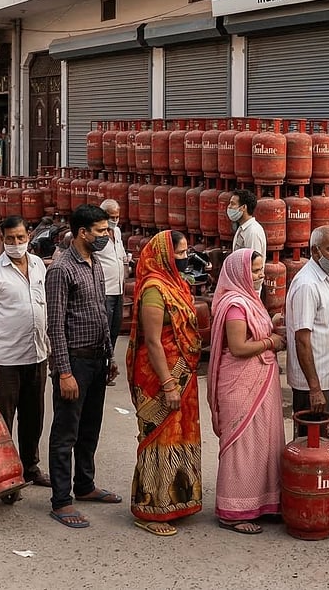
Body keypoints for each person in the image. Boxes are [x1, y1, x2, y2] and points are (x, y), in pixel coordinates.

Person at [45, 204, 120, 528]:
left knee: (90, 428)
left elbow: (102, 316)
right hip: (73, 361)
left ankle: (85, 485)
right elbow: (55, 325)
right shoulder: (61, 269)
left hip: (96, 359)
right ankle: (61, 500)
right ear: (82, 232)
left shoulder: (95, 264)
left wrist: (109, 357)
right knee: (66, 432)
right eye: (101, 231)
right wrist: (64, 372)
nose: (106, 235)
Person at [126, 230, 203, 536]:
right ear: (165, 256)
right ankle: (151, 510)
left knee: (180, 434)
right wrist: (169, 384)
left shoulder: (179, 285)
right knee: (158, 438)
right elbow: (154, 342)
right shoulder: (155, 289)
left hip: (184, 375)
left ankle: (178, 500)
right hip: (161, 377)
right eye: (180, 253)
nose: (185, 258)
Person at [208, 248, 286, 534]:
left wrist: (271, 326)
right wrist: (271, 343)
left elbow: (255, 332)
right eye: (254, 270)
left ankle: (264, 503)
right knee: (241, 444)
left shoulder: (251, 300)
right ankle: (234, 511)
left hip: (260, 380)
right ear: (239, 273)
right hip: (240, 383)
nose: (260, 274)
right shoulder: (235, 304)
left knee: (265, 442)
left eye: (260, 269)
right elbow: (239, 347)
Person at [0, 216, 52, 487]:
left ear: (28, 236)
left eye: (20, 238)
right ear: (2, 239)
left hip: (37, 354)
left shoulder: (38, 266)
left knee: (34, 416)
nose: (16, 244)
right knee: (3, 420)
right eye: (10, 239)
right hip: (6, 359)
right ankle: (5, 474)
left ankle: (30, 467)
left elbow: (45, 307)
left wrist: (50, 347)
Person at [286, 226, 329, 439]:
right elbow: (302, 340)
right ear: (315, 251)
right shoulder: (307, 284)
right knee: (311, 448)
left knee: (325, 446)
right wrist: (314, 389)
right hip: (315, 384)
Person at [96, 199, 129, 385]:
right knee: (104, 331)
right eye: (111, 217)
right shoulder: (97, 235)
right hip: (104, 290)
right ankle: (100, 369)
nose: (114, 220)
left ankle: (109, 366)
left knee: (114, 329)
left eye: (117, 217)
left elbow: (120, 256)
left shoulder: (116, 232)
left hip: (118, 289)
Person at [228, 189, 266, 256]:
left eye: (232, 204)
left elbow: (253, 262)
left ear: (244, 207)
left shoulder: (253, 232)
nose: (229, 207)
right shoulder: (242, 228)